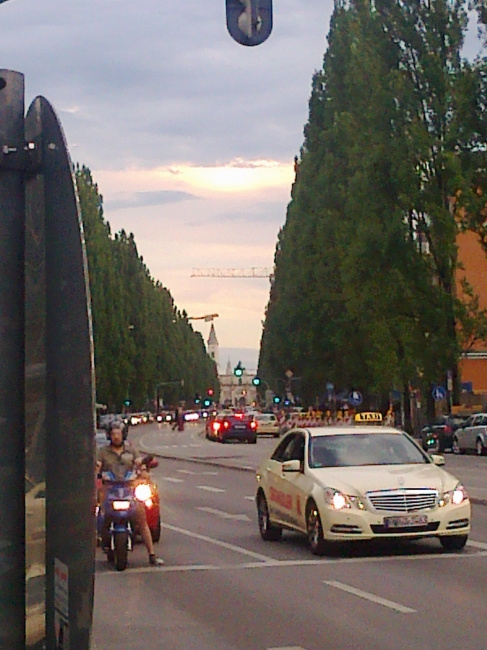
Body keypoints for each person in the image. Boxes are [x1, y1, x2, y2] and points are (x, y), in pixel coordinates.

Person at [96, 420, 164, 566]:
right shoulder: (102, 452)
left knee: (141, 519)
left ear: (123, 435)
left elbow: (139, 464)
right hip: (110, 489)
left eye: (118, 434)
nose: (116, 437)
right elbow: (97, 466)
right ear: (109, 435)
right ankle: (98, 541)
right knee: (99, 514)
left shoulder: (131, 451)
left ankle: (152, 555)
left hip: (129, 489)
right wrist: (95, 473)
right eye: (113, 434)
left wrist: (144, 471)